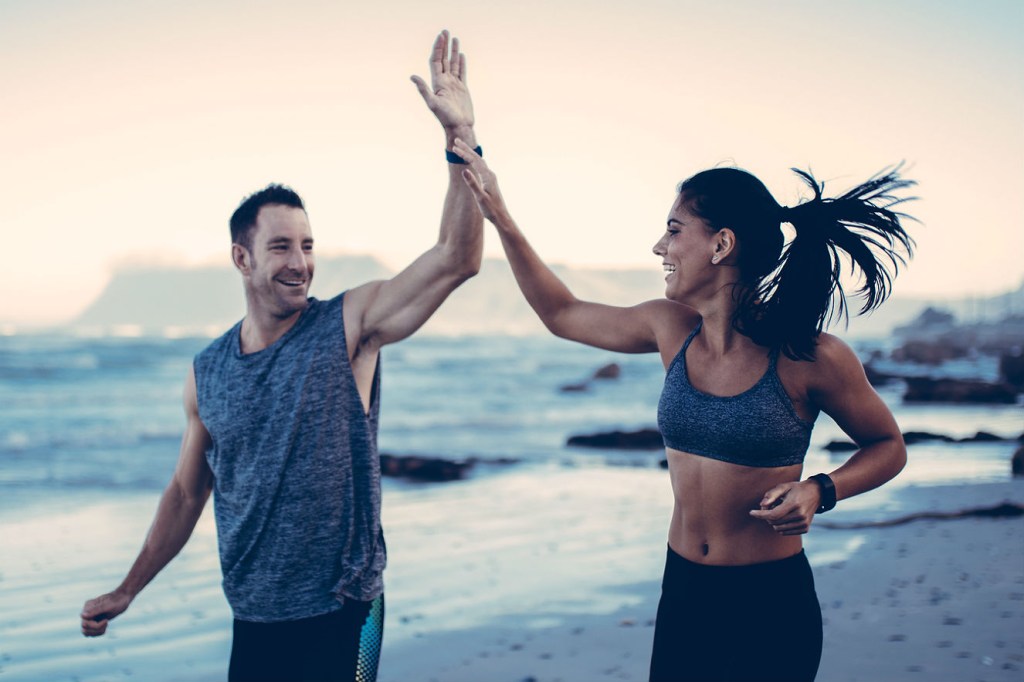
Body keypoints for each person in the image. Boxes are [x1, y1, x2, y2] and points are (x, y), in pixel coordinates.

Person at [80, 30, 483, 682]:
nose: (301, 264)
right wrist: (129, 588)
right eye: (281, 247)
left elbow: (457, 259)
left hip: (341, 612)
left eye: (308, 244)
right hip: (253, 617)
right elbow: (187, 492)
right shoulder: (207, 372)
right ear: (241, 257)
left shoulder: (348, 327)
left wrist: (460, 138)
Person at [451, 139, 914, 682]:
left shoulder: (810, 356)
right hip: (685, 594)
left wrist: (820, 489)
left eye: (673, 230)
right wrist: (499, 215)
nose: (658, 247)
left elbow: (889, 447)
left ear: (721, 244)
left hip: (770, 604)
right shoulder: (669, 328)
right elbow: (561, 312)